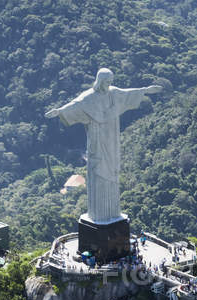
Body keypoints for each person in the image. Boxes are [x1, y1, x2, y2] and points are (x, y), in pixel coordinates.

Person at [45, 68, 162, 222]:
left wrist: (146, 90)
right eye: (106, 82)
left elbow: (127, 94)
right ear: (99, 81)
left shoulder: (113, 93)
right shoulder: (89, 98)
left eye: (110, 82)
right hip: (97, 139)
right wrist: (59, 112)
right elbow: (75, 105)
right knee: (98, 169)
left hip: (112, 138)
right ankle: (99, 214)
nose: (108, 85)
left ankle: (113, 213)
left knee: (112, 170)